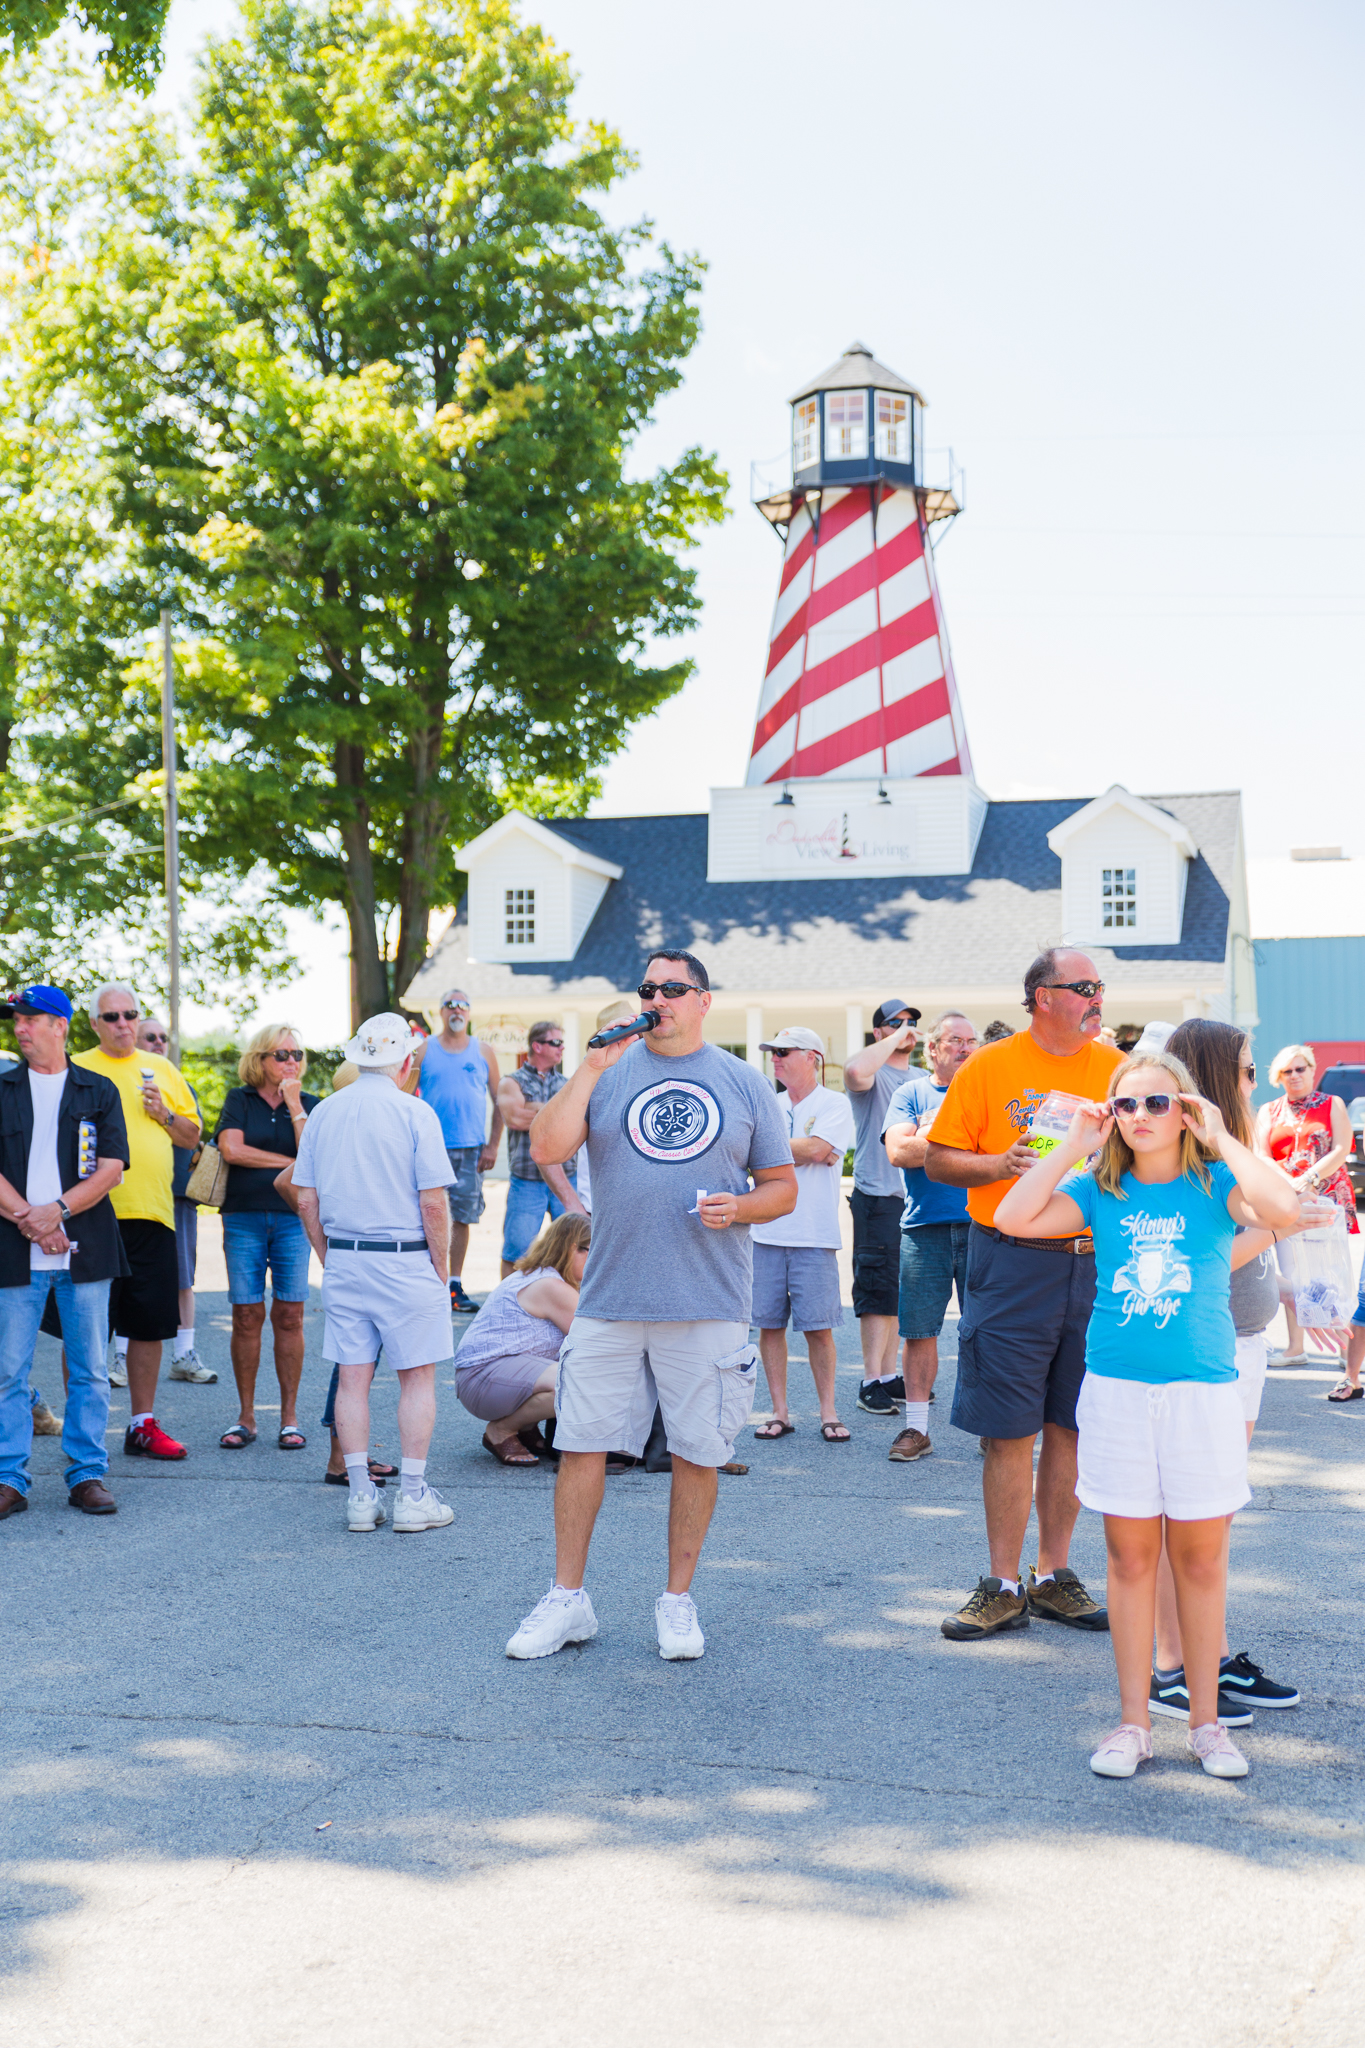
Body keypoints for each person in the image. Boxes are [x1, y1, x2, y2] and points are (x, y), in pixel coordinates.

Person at [994, 1048, 1298, 1779]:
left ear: (1185, 1109)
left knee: (1200, 1562)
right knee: (1130, 1561)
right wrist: (1074, 1142)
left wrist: (1223, 1136)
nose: (1138, 1117)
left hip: (1199, 1395)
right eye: (1125, 1105)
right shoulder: (1099, 1188)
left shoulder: (1216, 1180)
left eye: (1156, 1103)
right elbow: (1012, 1215)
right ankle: (1132, 1723)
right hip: (1118, 1396)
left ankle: (1205, 1725)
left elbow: (1284, 1209)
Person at [505, 948, 795, 1662]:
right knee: (580, 1445)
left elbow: (782, 1187)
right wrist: (589, 1069)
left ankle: (676, 1600)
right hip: (608, 1296)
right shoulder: (607, 1072)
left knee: (697, 1451)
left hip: (707, 1297)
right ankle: (567, 1598)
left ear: (702, 1001)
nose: (656, 998)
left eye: (672, 988)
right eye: (647, 987)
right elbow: (544, 1143)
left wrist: (744, 1208)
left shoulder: (743, 1083)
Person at [925, 949, 1121, 1639]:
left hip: (1095, 1261)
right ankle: (1001, 1584)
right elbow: (937, 1156)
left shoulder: (1116, 1069)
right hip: (1009, 1262)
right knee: (1007, 1428)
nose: (1097, 996)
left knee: (1070, 1424)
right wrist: (996, 1164)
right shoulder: (989, 1065)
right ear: (1043, 996)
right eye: (1084, 987)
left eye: (1099, 986)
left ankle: (1053, 1575)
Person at [1152, 1019, 1305, 1713]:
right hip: (1202, 1344)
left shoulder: (1227, 1145)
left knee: (1215, 1512)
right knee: (1182, 1514)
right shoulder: (1179, 1155)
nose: (1255, 1081)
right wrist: (1275, 1223)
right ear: (1215, 1074)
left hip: (1243, 1336)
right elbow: (1189, 1261)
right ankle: (1168, 1668)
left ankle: (1207, 1656)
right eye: (1246, 1070)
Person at [292, 1012, 456, 1534]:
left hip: (346, 1256)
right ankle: (411, 1495)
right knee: (417, 1377)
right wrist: (442, 1268)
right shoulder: (415, 1112)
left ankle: (362, 1494)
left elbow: (305, 1199)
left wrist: (327, 1255)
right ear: (405, 1061)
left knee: (352, 1377)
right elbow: (433, 1203)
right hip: (404, 1257)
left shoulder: (323, 1113)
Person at [0, 985, 130, 1518]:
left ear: (61, 1025)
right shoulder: (2, 1088)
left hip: (86, 1250)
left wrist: (57, 1212)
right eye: (16, 1020)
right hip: (15, 1252)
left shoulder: (96, 1089)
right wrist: (34, 1223)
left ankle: (86, 1475)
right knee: (9, 1371)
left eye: (32, 1018)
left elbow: (111, 1169)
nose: (21, 1028)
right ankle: (9, 1478)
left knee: (90, 1369)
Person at [74, 984, 201, 1462]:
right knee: (85, 1325)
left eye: (130, 1014)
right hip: (91, 1213)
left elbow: (191, 1134)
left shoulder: (162, 1069)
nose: (123, 1023)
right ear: (94, 1024)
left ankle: (141, 1424)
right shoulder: (78, 1067)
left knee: (148, 1325)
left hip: (151, 1211)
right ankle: (84, 1428)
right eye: (111, 1017)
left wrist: (163, 1112)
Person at [214, 1024, 320, 1453]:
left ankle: (289, 1417)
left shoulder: (310, 1104)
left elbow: (314, 1154)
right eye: (281, 1054)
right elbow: (232, 1150)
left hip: (294, 1220)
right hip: (242, 1219)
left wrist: (295, 1102)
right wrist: (287, 1163)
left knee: (291, 1316)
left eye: (297, 1053)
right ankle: (246, 1416)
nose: (291, 1061)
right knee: (246, 1315)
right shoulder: (239, 1100)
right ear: (259, 1059)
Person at [881, 1012, 979, 1465]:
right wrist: (959, 1141)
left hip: (985, 1225)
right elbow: (900, 1152)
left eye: (971, 1041)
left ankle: (991, 1427)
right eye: (954, 1040)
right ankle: (917, 1428)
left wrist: (928, 1134)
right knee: (919, 1331)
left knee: (987, 1330)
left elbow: (1014, 1149)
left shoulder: (985, 1093)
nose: (965, 1047)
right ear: (933, 1049)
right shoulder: (911, 1092)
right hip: (924, 1229)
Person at [750, 1028, 855, 1444]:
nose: (774, 1059)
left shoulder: (836, 1103)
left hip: (813, 1233)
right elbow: (811, 1150)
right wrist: (810, 1147)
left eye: (783, 1052)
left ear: (812, 1057)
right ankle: (780, 1412)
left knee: (818, 1327)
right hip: (765, 1231)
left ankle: (828, 1411)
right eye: (772, 1052)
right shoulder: (768, 1103)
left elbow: (816, 1151)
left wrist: (772, 1148)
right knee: (769, 1326)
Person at [456, 1213, 591, 1464]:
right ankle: (502, 1430)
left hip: (485, 1374)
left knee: (574, 1373)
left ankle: (525, 1428)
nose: (597, 1261)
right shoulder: (551, 1286)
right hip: (481, 1378)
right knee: (577, 1382)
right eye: (591, 1252)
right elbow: (593, 1340)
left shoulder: (544, 1275)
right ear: (573, 1248)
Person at [1256, 1044, 1358, 1364]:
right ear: (1278, 1077)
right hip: (1285, 1200)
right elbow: (1262, 1155)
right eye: (1287, 1071)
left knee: (1330, 1270)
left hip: (1326, 1198)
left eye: (1301, 1068)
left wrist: (1308, 1179)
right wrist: (1289, 1183)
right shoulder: (1268, 1111)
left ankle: (1344, 1348)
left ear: (1312, 1070)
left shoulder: (1332, 1104)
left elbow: (1341, 1149)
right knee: (1292, 1271)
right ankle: (1295, 1347)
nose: (1295, 1075)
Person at [843, 998, 921, 1415]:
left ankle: (889, 1376)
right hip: (876, 1197)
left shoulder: (921, 1078)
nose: (908, 1028)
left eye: (912, 1023)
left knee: (897, 1293)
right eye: (896, 1023)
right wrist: (893, 1040)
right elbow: (855, 1071)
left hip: (912, 1200)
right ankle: (869, 1378)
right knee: (876, 1291)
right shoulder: (871, 1077)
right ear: (879, 1032)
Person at [413, 988, 503, 1314]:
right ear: (440, 1012)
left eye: (463, 1004)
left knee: (462, 1219)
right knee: (427, 1214)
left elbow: (500, 1101)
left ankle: (454, 1285)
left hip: (470, 1150)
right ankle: (429, 1285)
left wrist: (492, 1145)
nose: (456, 1009)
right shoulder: (424, 1050)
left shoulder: (484, 1051)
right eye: (450, 1004)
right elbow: (406, 1098)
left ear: (469, 1012)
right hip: (430, 1148)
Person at [136, 1016, 214, 1384]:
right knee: (130, 1279)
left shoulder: (176, 1081)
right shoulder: (115, 1080)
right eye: (149, 1037)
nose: (158, 1042)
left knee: (183, 1277)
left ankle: (184, 1354)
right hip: (131, 1195)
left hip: (177, 1196)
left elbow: (193, 1131)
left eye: (163, 1037)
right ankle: (121, 1357)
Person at [496, 1022, 586, 1273]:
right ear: (537, 1046)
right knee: (517, 1252)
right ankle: (510, 1307)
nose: (562, 1047)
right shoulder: (511, 1081)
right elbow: (514, 1119)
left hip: (567, 1178)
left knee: (575, 1250)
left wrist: (535, 1108)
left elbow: (578, 1123)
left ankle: (566, 1307)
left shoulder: (568, 1083)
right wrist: (557, 1116)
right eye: (556, 1042)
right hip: (527, 1181)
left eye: (561, 1042)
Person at [575, 1001, 638, 1213]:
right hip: (598, 1207)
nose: (634, 1041)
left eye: (637, 1034)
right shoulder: (593, 1085)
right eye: (626, 1035)